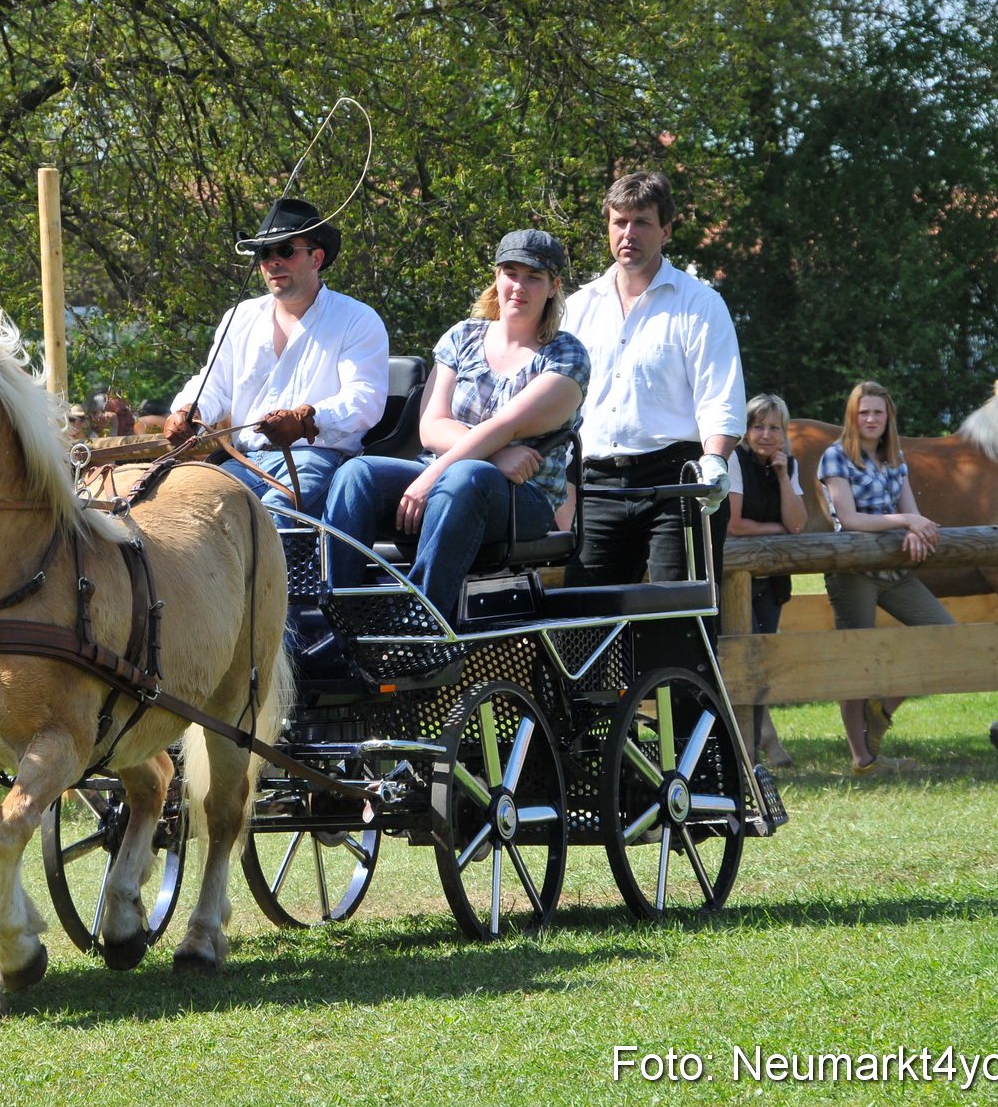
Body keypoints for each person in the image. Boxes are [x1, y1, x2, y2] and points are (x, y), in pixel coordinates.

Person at [322, 230, 589, 624]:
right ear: (496, 277)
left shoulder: (566, 355)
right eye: (510, 272)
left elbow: (507, 424)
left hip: (525, 500)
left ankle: (422, 621)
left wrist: (436, 474)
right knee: (357, 473)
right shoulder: (463, 336)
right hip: (449, 474)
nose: (519, 286)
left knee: (467, 475)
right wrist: (495, 454)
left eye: (534, 277)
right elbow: (431, 427)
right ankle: (335, 619)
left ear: (553, 287)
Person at [562, 171, 745, 587]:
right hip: (597, 488)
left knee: (680, 630)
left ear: (665, 231)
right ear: (607, 228)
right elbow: (560, 403)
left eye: (642, 221)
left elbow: (721, 397)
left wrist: (715, 459)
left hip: (677, 485)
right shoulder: (577, 308)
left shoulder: (700, 304)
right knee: (586, 626)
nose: (629, 233)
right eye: (619, 221)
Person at [164, 197, 388, 521]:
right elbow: (214, 384)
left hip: (317, 457)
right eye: (264, 253)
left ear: (317, 258)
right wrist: (189, 411)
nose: (272, 262)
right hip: (245, 461)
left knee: (275, 519)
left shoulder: (357, 319)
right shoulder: (238, 318)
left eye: (285, 250)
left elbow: (365, 399)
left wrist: (306, 421)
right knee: (192, 514)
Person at [820, 380, 950, 775]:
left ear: (888, 417)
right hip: (853, 572)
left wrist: (914, 528)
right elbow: (850, 519)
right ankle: (863, 759)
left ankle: (882, 709)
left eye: (878, 412)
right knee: (855, 659)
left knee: (945, 633)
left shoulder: (896, 459)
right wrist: (909, 520)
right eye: (864, 412)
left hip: (895, 572)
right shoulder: (835, 457)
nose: (871, 419)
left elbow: (912, 511)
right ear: (852, 417)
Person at [725, 393, 807, 768]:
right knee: (745, 664)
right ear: (746, 430)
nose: (765, 435)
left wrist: (781, 477)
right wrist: (777, 529)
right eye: (758, 426)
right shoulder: (734, 460)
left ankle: (754, 752)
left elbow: (798, 523)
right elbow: (735, 524)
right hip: (736, 582)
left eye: (774, 428)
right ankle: (743, 753)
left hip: (772, 582)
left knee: (763, 666)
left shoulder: (788, 465)